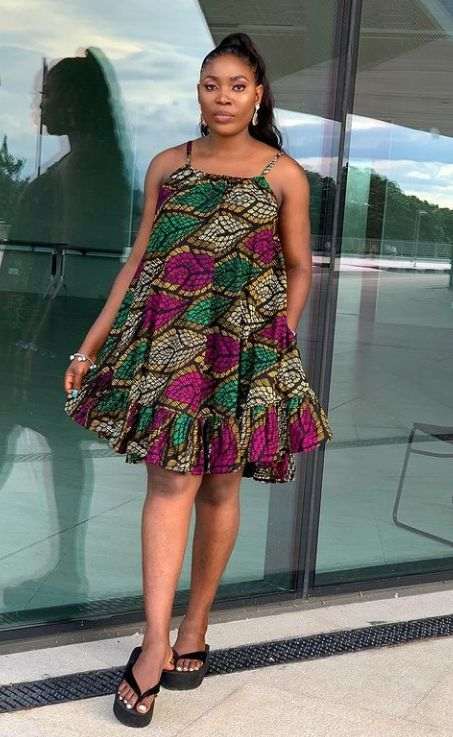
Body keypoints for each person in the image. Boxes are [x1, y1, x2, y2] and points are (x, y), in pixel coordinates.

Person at [63, 31, 333, 728]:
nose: (223, 97)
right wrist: (90, 346)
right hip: (169, 348)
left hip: (242, 352)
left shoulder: (283, 175)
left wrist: (276, 337)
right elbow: (137, 263)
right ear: (198, 92)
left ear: (258, 95)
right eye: (211, 85)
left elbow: (299, 267)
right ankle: (155, 642)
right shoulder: (168, 166)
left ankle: (196, 625)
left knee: (219, 487)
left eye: (237, 86)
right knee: (169, 483)